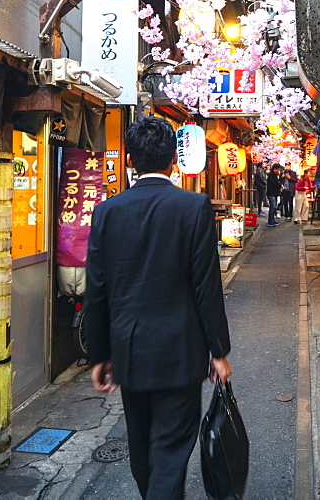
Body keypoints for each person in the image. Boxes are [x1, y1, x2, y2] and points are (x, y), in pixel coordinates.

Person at [85, 116, 233, 498]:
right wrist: (218, 351)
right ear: (173, 160)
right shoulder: (193, 206)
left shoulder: (106, 211)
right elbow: (206, 285)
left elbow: (97, 290)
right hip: (180, 351)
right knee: (170, 450)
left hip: (130, 351)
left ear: (131, 160)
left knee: (142, 449)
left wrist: (99, 354)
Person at [266, 163, 282, 227]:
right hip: (271, 193)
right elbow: (275, 183)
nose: (278, 171)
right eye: (278, 169)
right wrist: (280, 185)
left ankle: (272, 221)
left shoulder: (274, 175)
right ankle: (271, 222)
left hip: (273, 193)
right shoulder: (272, 175)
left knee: (273, 207)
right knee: (272, 208)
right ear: (275, 169)